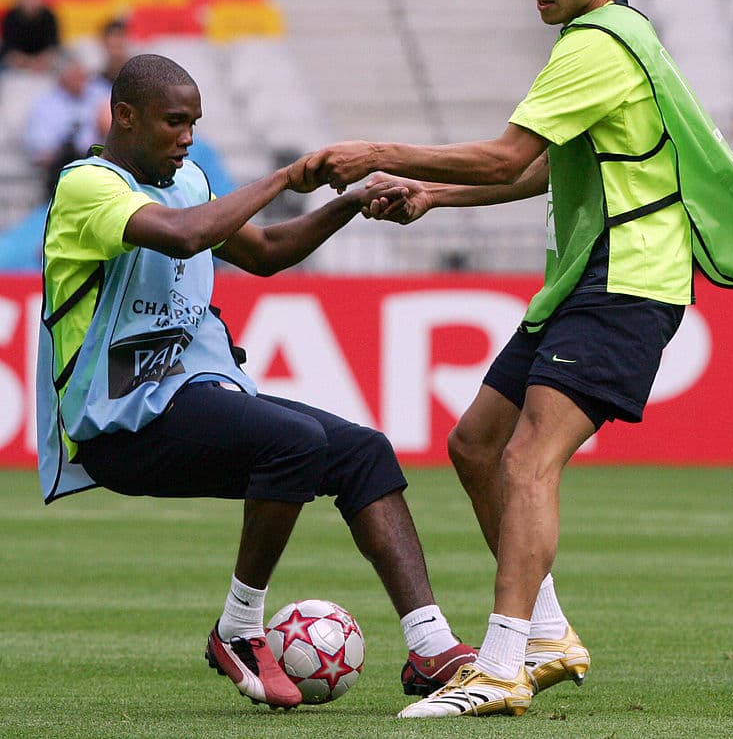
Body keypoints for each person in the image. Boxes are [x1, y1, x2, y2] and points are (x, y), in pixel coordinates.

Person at [300, 0, 733, 717]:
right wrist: (432, 193)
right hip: (585, 276)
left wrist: (381, 149)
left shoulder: (597, 45)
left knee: (527, 458)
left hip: (628, 279)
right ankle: (546, 636)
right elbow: (542, 169)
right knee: (475, 444)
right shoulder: (612, 36)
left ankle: (501, 665)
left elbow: (508, 152)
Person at [35, 53, 475, 710]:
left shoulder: (188, 182)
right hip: (119, 420)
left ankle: (432, 646)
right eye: (173, 122)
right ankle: (240, 628)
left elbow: (266, 254)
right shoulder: (88, 187)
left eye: (195, 124)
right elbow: (184, 239)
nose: (187, 137)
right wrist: (284, 176)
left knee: (362, 451)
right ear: (123, 117)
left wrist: (348, 203)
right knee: (293, 440)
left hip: (192, 396)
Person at [23, 50, 108, 198]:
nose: (82, 80)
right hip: (62, 170)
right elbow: (40, 152)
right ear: (62, 77)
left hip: (100, 164)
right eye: (75, 76)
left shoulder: (99, 92)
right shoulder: (46, 105)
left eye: (83, 76)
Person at [0, 0, 60, 72]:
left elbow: (53, 46)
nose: (33, 0)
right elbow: (8, 49)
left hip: (44, 65)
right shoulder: (10, 17)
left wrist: (39, 62)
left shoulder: (49, 16)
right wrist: (26, 63)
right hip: (15, 65)